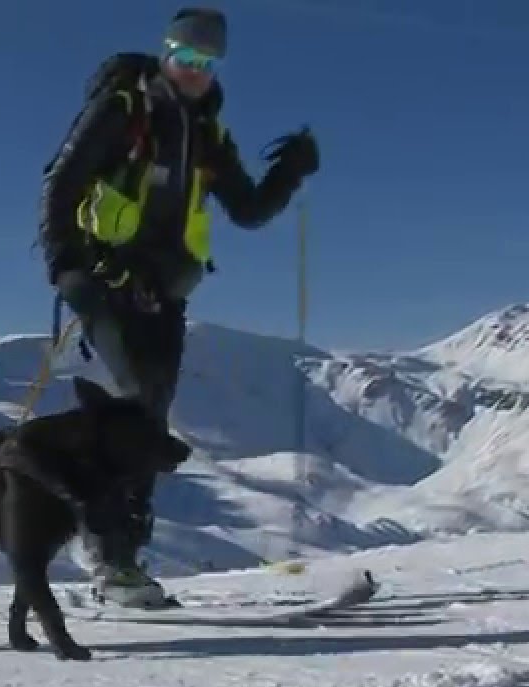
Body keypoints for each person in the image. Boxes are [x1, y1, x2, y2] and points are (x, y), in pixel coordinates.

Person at [37, 7, 319, 607]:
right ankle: (108, 553)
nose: (195, 70)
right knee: (136, 406)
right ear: (166, 53)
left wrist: (289, 173)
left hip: (163, 289)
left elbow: (247, 209)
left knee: (152, 413)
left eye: (207, 62)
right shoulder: (123, 110)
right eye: (185, 57)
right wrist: (64, 263)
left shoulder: (208, 133)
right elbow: (62, 181)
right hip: (100, 274)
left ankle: (124, 556)